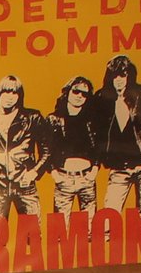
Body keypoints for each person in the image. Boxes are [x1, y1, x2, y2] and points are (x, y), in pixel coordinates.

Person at [0, 73, 50, 218]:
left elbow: (46, 152)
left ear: (20, 96)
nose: (10, 96)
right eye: (6, 91)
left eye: (15, 92)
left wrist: (34, 172)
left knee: (32, 237)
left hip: (25, 187)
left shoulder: (33, 118)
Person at [92, 53, 141, 213]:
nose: (119, 80)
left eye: (123, 75)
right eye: (115, 76)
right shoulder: (101, 98)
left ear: (130, 76)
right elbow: (96, 132)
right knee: (110, 215)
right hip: (119, 166)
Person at [40, 75, 100, 215]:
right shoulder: (53, 119)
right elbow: (46, 149)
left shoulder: (91, 119)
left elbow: (98, 146)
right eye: (76, 91)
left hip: (87, 178)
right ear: (67, 92)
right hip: (64, 177)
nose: (79, 96)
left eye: (84, 94)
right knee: (61, 229)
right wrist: (54, 173)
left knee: (90, 228)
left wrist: (95, 169)